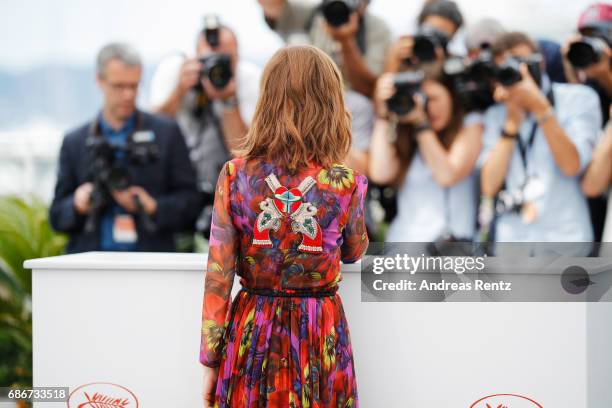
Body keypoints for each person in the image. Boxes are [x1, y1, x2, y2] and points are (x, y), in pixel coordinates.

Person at [199, 45, 368, 407]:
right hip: (319, 329)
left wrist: (211, 359)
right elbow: (353, 252)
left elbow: (218, 276)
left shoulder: (235, 176)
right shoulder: (345, 183)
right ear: (331, 106)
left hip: (253, 329)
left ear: (267, 101)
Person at [49, 43, 200, 253]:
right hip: (90, 266)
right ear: (99, 81)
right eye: (119, 86)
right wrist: (77, 203)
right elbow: (56, 217)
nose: (128, 95)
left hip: (150, 263)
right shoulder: (75, 141)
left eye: (134, 86)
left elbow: (192, 204)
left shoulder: (167, 133)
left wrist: (153, 206)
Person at [480, 32, 602, 245]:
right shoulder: (496, 115)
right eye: (507, 68)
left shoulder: (579, 98)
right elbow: (488, 187)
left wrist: (540, 108)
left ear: (541, 62)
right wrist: (511, 124)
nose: (518, 73)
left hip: (566, 241)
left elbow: (572, 165)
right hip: (513, 245)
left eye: (521, 64)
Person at [149, 18, 261, 235]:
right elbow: (153, 131)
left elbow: (247, 152)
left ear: (237, 56)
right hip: (178, 187)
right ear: (195, 57)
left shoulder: (248, 78)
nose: (218, 68)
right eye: (210, 59)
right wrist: (180, 90)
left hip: (228, 191)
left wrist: (228, 100)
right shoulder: (175, 71)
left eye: (226, 59)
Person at [368, 68, 484, 242]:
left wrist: (421, 124)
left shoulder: (470, 125)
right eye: (421, 99)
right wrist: (383, 115)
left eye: (433, 99)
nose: (428, 108)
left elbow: (447, 175)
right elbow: (380, 173)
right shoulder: (407, 132)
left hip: (450, 251)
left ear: (451, 96)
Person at [257, 0, 391, 97]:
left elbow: (368, 87)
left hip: (355, 104)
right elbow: (271, 5)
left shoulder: (377, 28)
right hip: (311, 98)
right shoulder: (313, 14)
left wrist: (346, 42)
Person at [385, 0, 465, 73]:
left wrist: (440, 69)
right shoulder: (405, 52)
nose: (433, 40)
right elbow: (386, 83)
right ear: (420, 25)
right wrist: (394, 60)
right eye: (430, 31)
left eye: (441, 37)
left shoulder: (454, 65)